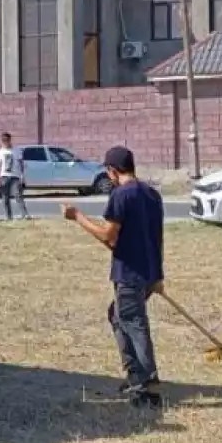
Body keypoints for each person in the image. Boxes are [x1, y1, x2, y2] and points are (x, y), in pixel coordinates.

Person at [62, 146, 165, 408]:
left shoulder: (120, 195)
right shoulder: (152, 194)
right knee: (118, 315)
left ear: (111, 171)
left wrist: (77, 217)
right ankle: (135, 375)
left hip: (130, 274)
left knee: (133, 322)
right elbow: (156, 237)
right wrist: (159, 274)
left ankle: (146, 386)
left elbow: (108, 235)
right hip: (148, 272)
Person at [0, 132, 31, 220]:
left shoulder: (16, 150)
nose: (5, 142)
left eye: (7, 140)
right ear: (2, 141)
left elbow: (21, 162)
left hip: (15, 176)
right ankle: (8, 216)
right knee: (5, 197)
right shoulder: (0, 151)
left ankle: (25, 214)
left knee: (18, 195)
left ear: (10, 140)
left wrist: (22, 175)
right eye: (3, 141)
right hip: (4, 176)